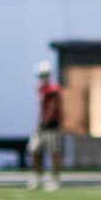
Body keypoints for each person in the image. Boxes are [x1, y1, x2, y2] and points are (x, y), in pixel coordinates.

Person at [28, 60, 63, 191]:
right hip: (42, 126)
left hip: (52, 126)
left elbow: (52, 109)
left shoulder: (53, 90)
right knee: (34, 149)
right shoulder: (41, 90)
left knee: (54, 152)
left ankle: (55, 179)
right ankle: (38, 177)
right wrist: (39, 124)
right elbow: (42, 110)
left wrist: (45, 122)